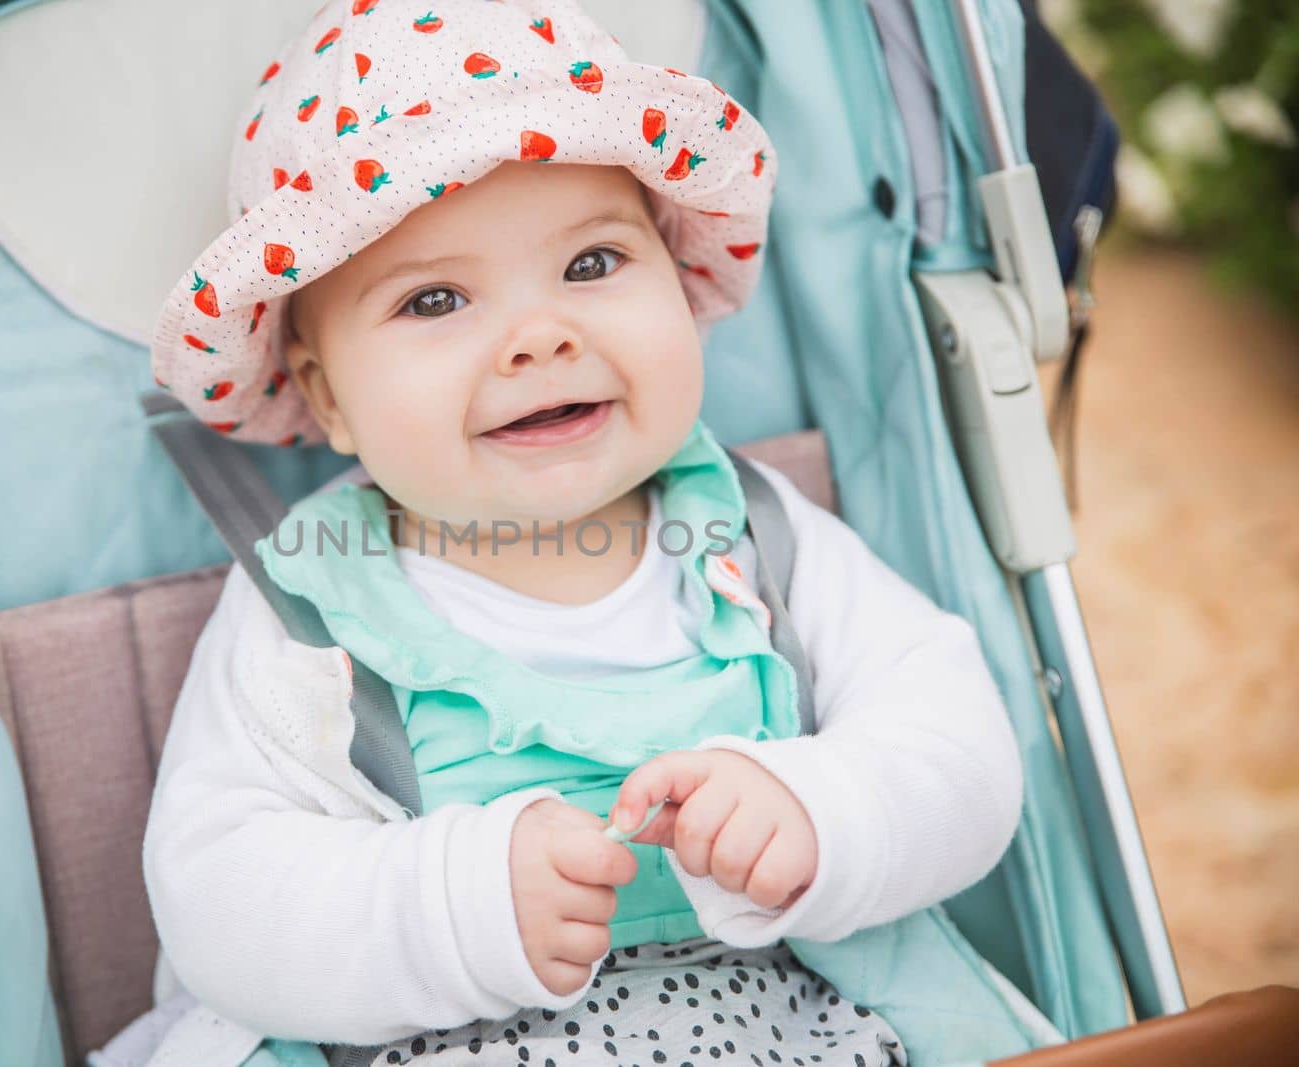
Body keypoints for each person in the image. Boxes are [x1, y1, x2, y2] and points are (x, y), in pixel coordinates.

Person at [127, 2, 1024, 1064]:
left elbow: (959, 750)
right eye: (435, 300)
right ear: (326, 397)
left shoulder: (754, 534)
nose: (538, 336)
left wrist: (818, 807)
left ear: (679, 282)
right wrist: (451, 903)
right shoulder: (313, 604)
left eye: (591, 266)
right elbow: (218, 896)